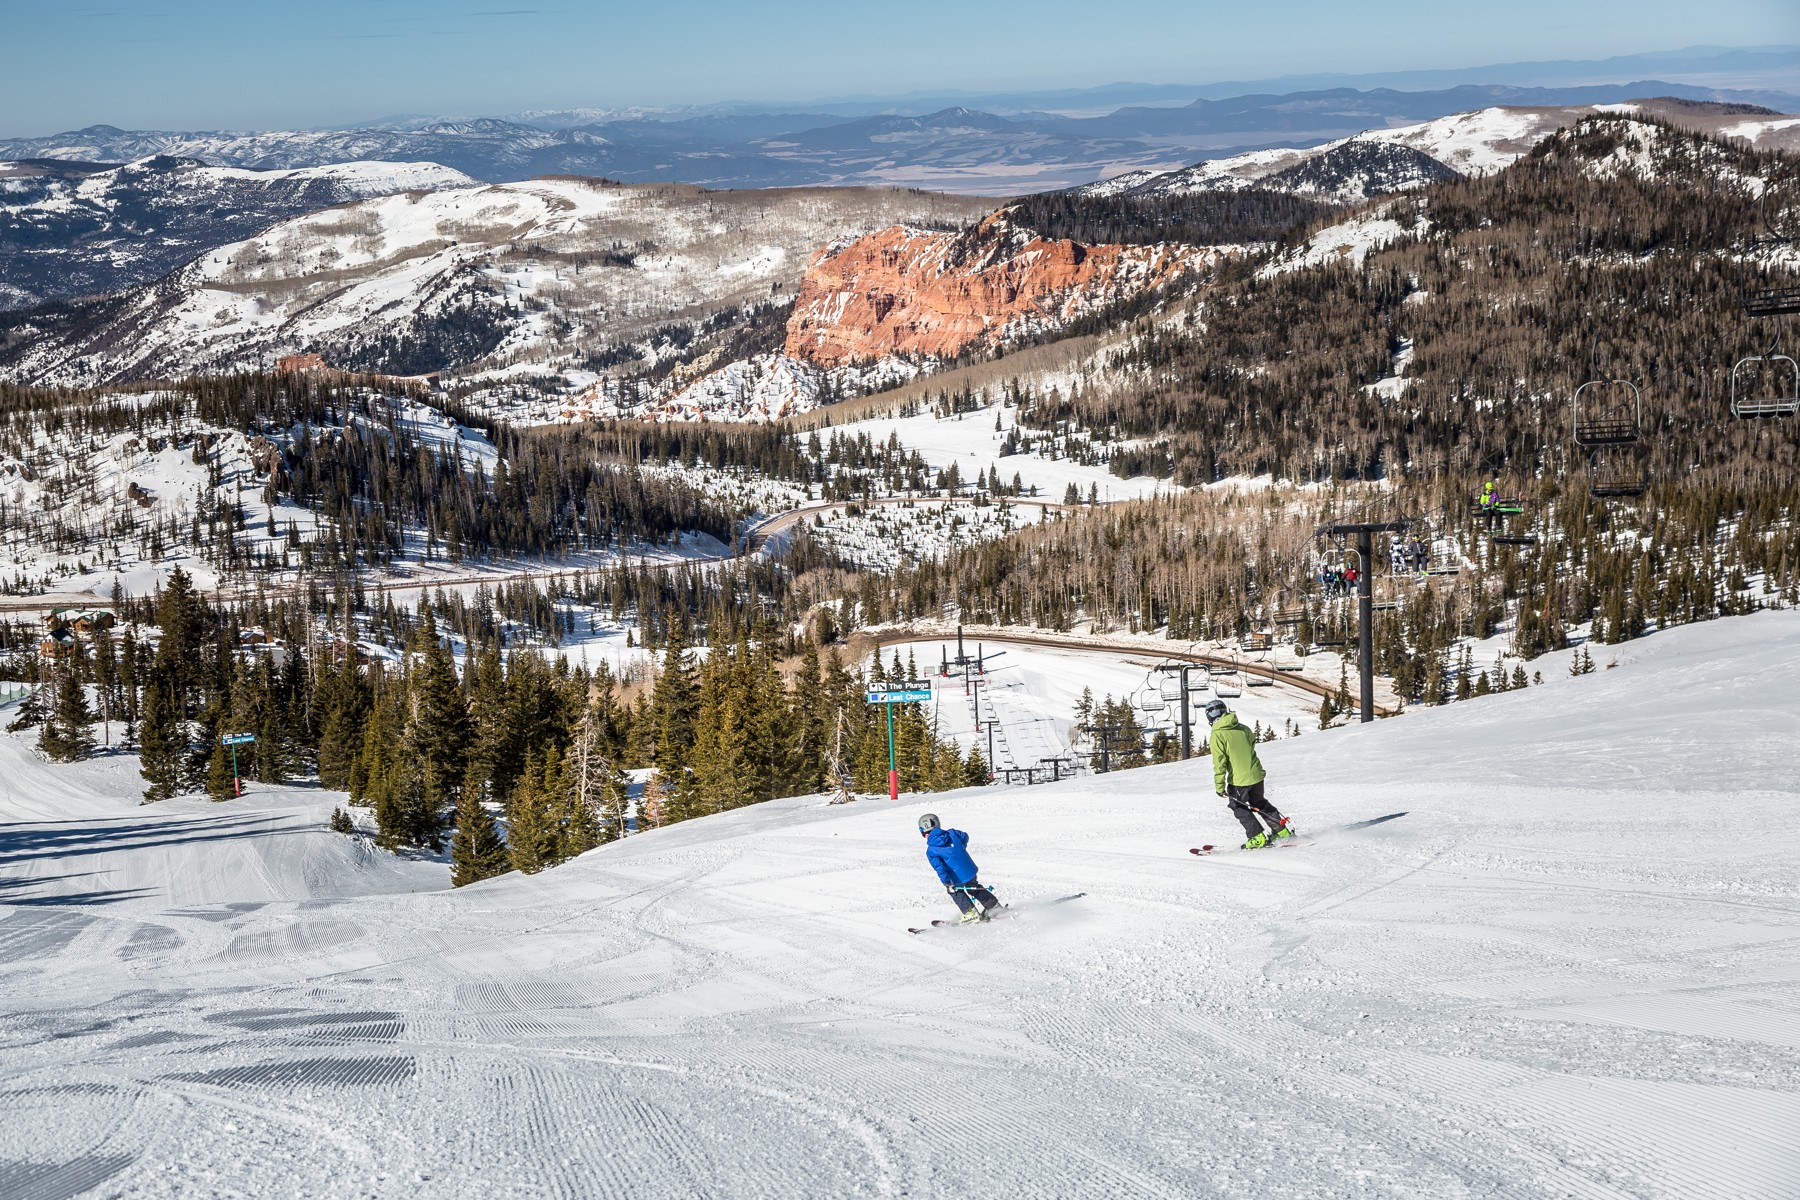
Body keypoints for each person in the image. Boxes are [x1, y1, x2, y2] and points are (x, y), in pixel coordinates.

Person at [1205, 699, 1292, 849]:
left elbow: (1220, 763)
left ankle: (1257, 837)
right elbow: (1251, 744)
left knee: (1238, 807)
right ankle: (1282, 831)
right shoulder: (1243, 728)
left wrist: (1219, 786)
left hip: (1240, 780)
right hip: (1256, 774)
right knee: (1259, 802)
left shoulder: (1217, 735)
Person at [918, 813, 1000, 923]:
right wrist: (961, 847)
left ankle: (970, 913)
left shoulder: (931, 850)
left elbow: (940, 868)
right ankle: (993, 906)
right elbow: (965, 836)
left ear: (923, 832)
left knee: (955, 892)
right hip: (970, 870)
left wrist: (946, 882)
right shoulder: (952, 833)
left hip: (956, 878)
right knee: (974, 887)